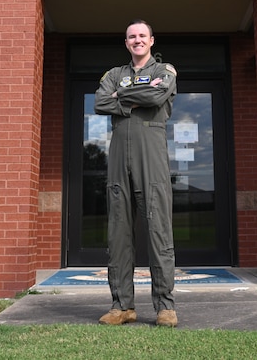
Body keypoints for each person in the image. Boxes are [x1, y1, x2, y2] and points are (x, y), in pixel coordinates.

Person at [94, 20, 178, 328]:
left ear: (152, 40)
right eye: (132, 36)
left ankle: (165, 306)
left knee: (158, 230)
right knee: (118, 233)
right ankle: (122, 306)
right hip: (118, 155)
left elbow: (157, 98)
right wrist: (135, 94)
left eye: (142, 35)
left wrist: (121, 97)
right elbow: (100, 101)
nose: (137, 40)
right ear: (126, 42)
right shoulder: (114, 75)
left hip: (151, 154)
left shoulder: (164, 71)